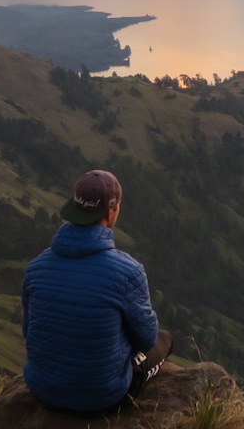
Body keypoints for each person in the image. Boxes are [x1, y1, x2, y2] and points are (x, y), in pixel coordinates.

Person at [22, 169, 173, 412]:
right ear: (111, 212)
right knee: (164, 340)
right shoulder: (128, 271)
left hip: (42, 389)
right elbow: (146, 339)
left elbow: (29, 331)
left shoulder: (36, 266)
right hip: (102, 398)